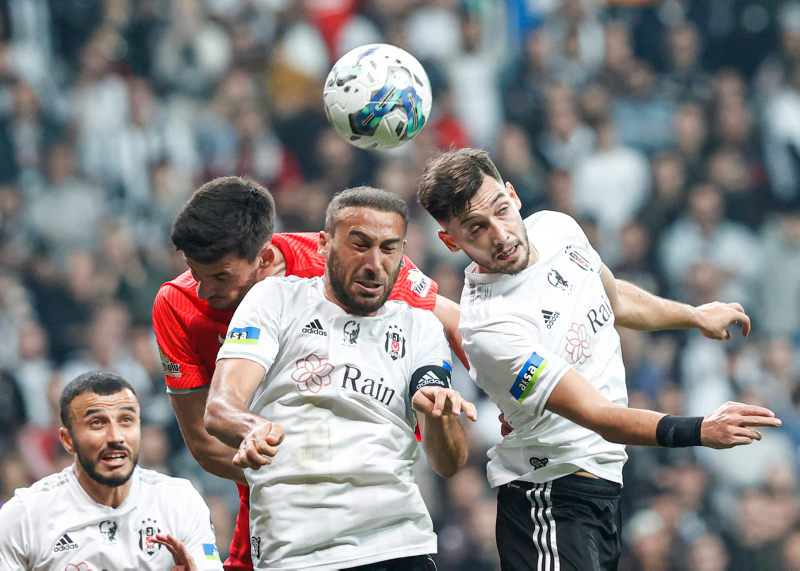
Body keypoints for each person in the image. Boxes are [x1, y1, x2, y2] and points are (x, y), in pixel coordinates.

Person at [416, 148, 782, 570]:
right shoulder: (490, 330)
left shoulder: (557, 228)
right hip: (550, 501)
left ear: (513, 195)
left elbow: (612, 296)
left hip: (599, 492)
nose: (500, 235)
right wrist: (701, 429)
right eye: (476, 228)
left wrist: (694, 315)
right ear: (450, 240)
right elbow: (598, 415)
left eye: (501, 210)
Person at [152, 176, 464, 569]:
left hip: (381, 491)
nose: (201, 290)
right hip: (264, 469)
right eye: (195, 273)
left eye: (221, 277)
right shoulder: (177, 305)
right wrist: (301, 482)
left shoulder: (347, 251)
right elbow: (203, 436)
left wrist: (513, 406)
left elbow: (452, 320)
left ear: (264, 260)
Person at [0, 371, 222, 571]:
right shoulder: (23, 517)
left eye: (126, 420)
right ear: (68, 441)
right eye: (97, 423)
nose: (116, 436)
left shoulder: (180, 502)